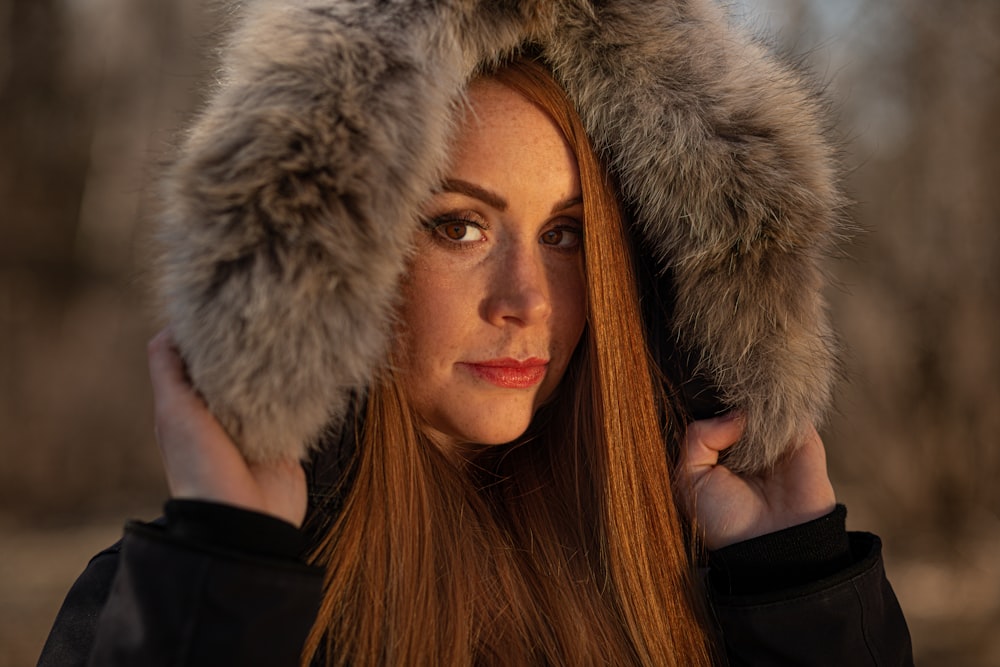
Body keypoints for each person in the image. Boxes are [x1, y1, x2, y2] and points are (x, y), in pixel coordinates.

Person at [40, 2, 912, 665]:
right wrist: (225, 576)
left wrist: (796, 586)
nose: (526, 299)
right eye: (460, 226)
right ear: (338, 253)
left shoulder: (707, 578)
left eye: (564, 234)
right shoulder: (170, 600)